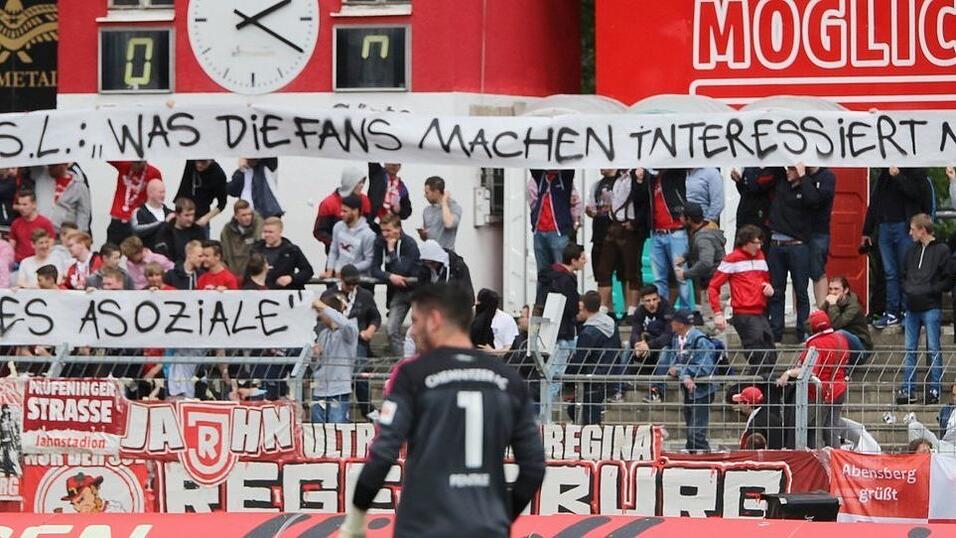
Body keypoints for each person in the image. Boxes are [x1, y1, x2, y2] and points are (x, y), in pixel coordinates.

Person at [340, 283, 545, 538]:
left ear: (434, 320)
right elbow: (534, 467)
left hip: (424, 526)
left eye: (415, 321)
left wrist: (357, 519)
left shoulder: (413, 374)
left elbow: (383, 453)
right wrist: (501, 518)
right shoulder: (508, 379)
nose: (412, 332)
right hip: (486, 527)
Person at [863, 167, 933, 328]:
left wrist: (898, 176)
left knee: (906, 271)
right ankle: (892, 312)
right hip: (885, 227)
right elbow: (875, 202)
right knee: (889, 273)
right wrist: (867, 230)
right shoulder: (883, 175)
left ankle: (908, 311)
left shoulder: (916, 171)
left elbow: (916, 193)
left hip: (905, 227)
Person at [765, 164, 827, 342]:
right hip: (777, 244)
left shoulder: (807, 187)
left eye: (792, 169)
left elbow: (814, 201)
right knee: (776, 290)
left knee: (801, 290)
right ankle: (776, 331)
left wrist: (803, 176)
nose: (787, 171)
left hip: (798, 246)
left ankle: (803, 331)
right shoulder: (780, 183)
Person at [709, 225, 776, 378]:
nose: (759, 247)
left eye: (760, 243)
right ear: (745, 242)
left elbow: (765, 279)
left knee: (770, 352)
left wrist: (768, 287)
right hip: (744, 313)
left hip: (760, 311)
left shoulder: (760, 256)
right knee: (758, 354)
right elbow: (713, 286)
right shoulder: (732, 259)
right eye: (755, 243)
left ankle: (757, 388)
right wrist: (717, 312)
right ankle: (754, 389)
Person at [776, 310, 849, 448]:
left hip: (818, 392)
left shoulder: (816, 343)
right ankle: (836, 460)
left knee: (808, 428)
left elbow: (809, 370)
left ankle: (812, 459)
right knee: (831, 428)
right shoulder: (841, 338)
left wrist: (789, 372)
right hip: (839, 388)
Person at [898, 213, 950, 405]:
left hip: (930, 305)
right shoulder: (911, 251)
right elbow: (903, 273)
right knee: (909, 349)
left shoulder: (941, 250)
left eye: (913, 229)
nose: (910, 232)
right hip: (912, 305)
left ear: (922, 230)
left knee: (933, 348)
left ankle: (934, 388)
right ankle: (908, 388)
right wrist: (907, 288)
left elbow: (948, 277)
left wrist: (932, 289)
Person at [657, 309, 718, 453]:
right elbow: (674, 364)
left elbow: (704, 367)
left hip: (702, 391)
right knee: (691, 430)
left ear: (680, 324)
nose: (670, 324)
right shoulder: (676, 340)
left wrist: (682, 371)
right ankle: (694, 455)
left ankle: (705, 458)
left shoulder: (700, 341)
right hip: (688, 390)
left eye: (673, 321)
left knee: (696, 433)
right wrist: (684, 373)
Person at [534, 243, 586, 408]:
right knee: (556, 375)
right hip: (563, 332)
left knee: (548, 372)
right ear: (573, 261)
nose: (585, 262)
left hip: (548, 330)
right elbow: (571, 307)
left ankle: (545, 409)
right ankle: (546, 412)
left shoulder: (548, 276)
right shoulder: (567, 279)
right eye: (583, 258)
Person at [594, 169, 648, 315]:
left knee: (632, 270)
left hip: (630, 227)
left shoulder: (639, 176)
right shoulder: (617, 179)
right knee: (604, 269)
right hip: (614, 225)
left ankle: (631, 310)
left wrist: (635, 223)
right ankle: (604, 308)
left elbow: (643, 200)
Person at [566, 290, 621, 425]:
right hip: (608, 374)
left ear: (583, 308)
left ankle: (592, 443)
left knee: (586, 416)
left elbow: (579, 359)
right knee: (580, 410)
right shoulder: (610, 323)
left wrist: (566, 378)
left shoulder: (589, 333)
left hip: (592, 378)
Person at [370, 213, 421, 356]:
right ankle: (402, 363)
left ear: (398, 229)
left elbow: (403, 270)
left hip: (416, 290)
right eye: (383, 230)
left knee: (418, 329)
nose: (384, 234)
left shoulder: (409, 244)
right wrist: (389, 276)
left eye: (388, 230)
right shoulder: (380, 242)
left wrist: (391, 251)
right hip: (398, 291)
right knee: (391, 329)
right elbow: (374, 269)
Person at [528, 169, 581, 298]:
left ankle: (564, 311)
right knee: (543, 275)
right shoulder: (540, 178)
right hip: (540, 232)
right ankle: (541, 314)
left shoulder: (564, 178)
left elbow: (570, 165)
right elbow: (532, 163)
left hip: (558, 232)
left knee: (562, 274)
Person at [646, 168, 693, 308]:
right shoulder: (651, 179)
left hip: (676, 231)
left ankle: (685, 310)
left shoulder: (675, 173)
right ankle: (663, 311)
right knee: (659, 278)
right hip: (657, 233)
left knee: (681, 275)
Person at [340, 264, 381, 420]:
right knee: (341, 377)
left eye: (354, 284)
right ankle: (343, 411)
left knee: (361, 376)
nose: (351, 287)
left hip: (359, 341)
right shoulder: (331, 294)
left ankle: (367, 408)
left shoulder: (365, 295)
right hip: (338, 343)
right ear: (341, 280)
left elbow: (376, 316)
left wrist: (370, 330)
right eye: (348, 284)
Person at [310, 290, 359, 424]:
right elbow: (315, 366)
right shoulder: (323, 334)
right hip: (319, 390)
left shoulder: (348, 332)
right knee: (318, 432)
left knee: (336, 431)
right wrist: (314, 356)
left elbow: (346, 324)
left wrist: (324, 307)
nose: (319, 316)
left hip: (339, 390)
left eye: (321, 312)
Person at [675, 202, 726, 317]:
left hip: (714, 286)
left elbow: (706, 262)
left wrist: (685, 274)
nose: (680, 219)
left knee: (713, 326)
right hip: (713, 285)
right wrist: (685, 256)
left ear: (689, 219)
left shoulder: (703, 238)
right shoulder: (703, 230)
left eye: (682, 216)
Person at [631, 286, 676, 402]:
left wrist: (649, 345)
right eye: (648, 301)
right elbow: (635, 331)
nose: (652, 303)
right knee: (627, 347)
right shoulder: (639, 312)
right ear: (642, 301)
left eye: (654, 299)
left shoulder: (668, 310)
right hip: (647, 349)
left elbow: (668, 336)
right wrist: (638, 344)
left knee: (666, 351)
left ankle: (657, 391)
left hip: (665, 348)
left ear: (659, 298)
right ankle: (618, 388)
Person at [314, 166, 371, 253]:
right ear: (350, 182)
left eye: (363, 182)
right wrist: (338, 243)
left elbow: (369, 225)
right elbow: (319, 231)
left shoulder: (365, 201)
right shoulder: (328, 203)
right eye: (359, 182)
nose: (362, 186)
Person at [106, 161, 162, 246]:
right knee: (110, 252)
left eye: (138, 163)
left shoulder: (153, 173)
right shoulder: (124, 165)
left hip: (136, 220)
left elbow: (158, 193)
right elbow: (108, 154)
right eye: (133, 162)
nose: (135, 165)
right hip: (118, 219)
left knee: (136, 254)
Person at [803, 167, 837, 306]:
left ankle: (822, 310)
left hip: (819, 231)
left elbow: (816, 200)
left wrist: (803, 179)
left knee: (817, 271)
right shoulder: (800, 175)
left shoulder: (827, 177)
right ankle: (798, 313)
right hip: (799, 231)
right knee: (798, 273)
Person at [821, 276, 873, 363]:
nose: (832, 292)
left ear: (845, 290)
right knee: (811, 337)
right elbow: (811, 322)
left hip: (860, 349)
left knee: (840, 333)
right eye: (830, 289)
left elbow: (836, 325)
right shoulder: (829, 302)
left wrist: (833, 305)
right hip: (838, 346)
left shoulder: (853, 306)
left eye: (836, 289)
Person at [731, 167, 784, 253]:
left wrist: (749, 174)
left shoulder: (775, 169)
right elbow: (746, 192)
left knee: (758, 255)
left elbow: (756, 186)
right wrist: (740, 182)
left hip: (761, 222)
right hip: (744, 219)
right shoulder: (750, 169)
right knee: (739, 255)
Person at [252, 217, 314, 290]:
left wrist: (291, 278)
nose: (267, 235)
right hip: (261, 292)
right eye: (265, 232)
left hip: (285, 292)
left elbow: (308, 271)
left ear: (280, 231)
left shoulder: (292, 250)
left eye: (271, 232)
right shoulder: (256, 250)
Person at [29, 163, 92, 233]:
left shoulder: (79, 185)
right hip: (41, 232)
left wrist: (79, 233)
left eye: (54, 166)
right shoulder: (41, 175)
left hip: (64, 234)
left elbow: (83, 213)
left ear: (64, 165)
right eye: (49, 165)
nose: (50, 168)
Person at [585, 169, 616, 309]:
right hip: (598, 234)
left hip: (616, 233)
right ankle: (608, 309)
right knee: (601, 273)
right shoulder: (596, 185)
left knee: (621, 273)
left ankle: (607, 308)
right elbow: (590, 206)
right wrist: (590, 211)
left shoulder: (621, 182)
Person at [325, 195, 376, 277]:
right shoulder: (338, 227)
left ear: (355, 211)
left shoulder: (368, 234)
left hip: (358, 279)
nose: (341, 214)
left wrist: (347, 270)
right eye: (341, 211)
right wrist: (329, 270)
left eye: (345, 211)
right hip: (339, 277)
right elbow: (333, 251)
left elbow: (369, 261)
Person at [175, 159, 228, 235]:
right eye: (198, 161)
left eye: (204, 162)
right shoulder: (191, 162)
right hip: (183, 213)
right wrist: (176, 213)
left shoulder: (218, 174)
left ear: (211, 161)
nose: (199, 165)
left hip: (201, 216)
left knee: (202, 244)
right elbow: (183, 188)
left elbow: (222, 203)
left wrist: (206, 218)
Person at [418, 239, 475, 304]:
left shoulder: (457, 267)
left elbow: (468, 296)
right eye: (427, 263)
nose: (430, 266)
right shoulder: (424, 270)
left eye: (433, 263)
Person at [731, 386, 784, 450]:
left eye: (741, 402)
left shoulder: (755, 425)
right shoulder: (773, 417)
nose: (739, 405)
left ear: (748, 404)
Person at [9, 190, 55, 263]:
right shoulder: (15, 223)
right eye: (19, 204)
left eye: (25, 204)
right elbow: (10, 248)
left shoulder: (45, 223)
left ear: (34, 204)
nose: (21, 208)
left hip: (38, 263)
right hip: (18, 263)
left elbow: (49, 247)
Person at [220, 199, 263, 277]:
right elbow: (225, 255)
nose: (248, 217)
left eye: (249, 214)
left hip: (252, 275)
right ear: (236, 216)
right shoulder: (227, 231)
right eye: (244, 215)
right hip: (233, 273)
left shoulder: (257, 227)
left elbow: (259, 242)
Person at [418, 176, 462, 251]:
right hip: (430, 255)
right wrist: (423, 235)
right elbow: (426, 238)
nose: (425, 196)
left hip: (446, 255)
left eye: (427, 193)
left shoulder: (454, 207)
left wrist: (444, 202)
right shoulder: (426, 210)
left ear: (436, 192)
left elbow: (449, 224)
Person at [130, 179, 173, 251]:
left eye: (164, 192)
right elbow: (136, 230)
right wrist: (163, 223)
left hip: (170, 258)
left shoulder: (171, 213)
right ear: (150, 193)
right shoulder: (139, 213)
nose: (163, 195)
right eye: (160, 192)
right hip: (149, 258)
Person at [59, 473, 126, 513]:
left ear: (94, 491)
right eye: (73, 504)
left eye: (81, 500)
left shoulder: (114, 509)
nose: (77, 508)